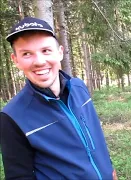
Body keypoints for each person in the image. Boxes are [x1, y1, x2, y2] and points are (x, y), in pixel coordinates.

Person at [0, 17, 117, 180]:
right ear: (16, 60)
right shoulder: (12, 116)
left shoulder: (78, 87)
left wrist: (109, 169)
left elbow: (96, 135)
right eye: (26, 54)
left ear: (60, 52)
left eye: (46, 50)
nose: (39, 61)